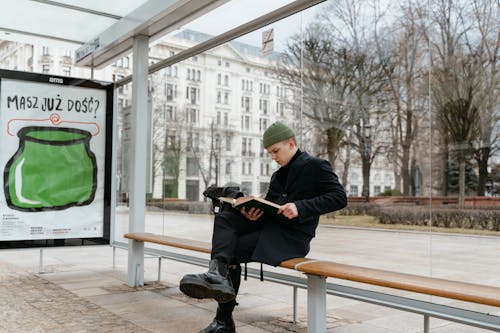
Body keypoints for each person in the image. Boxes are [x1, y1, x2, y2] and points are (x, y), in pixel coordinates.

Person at [179, 121, 347, 333]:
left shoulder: (316, 165)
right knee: (225, 217)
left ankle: (223, 317)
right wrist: (253, 212)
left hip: (291, 238)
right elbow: (272, 206)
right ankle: (218, 275)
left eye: (276, 151)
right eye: (270, 153)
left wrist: (300, 207)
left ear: (291, 143)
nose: (273, 157)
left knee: (231, 249)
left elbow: (339, 198)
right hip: (271, 230)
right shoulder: (278, 175)